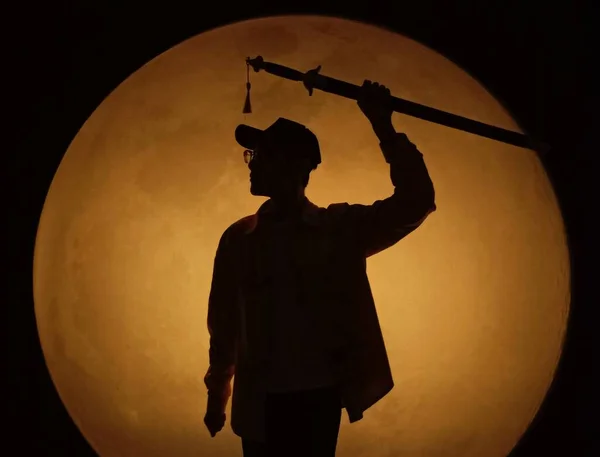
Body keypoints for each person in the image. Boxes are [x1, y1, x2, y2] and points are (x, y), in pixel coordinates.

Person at [203, 80, 436, 456]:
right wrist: (218, 397)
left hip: (317, 400)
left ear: (293, 166)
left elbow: (415, 201)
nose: (252, 162)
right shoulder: (238, 239)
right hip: (259, 403)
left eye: (260, 154)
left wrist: (384, 128)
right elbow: (225, 323)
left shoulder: (338, 230)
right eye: (253, 154)